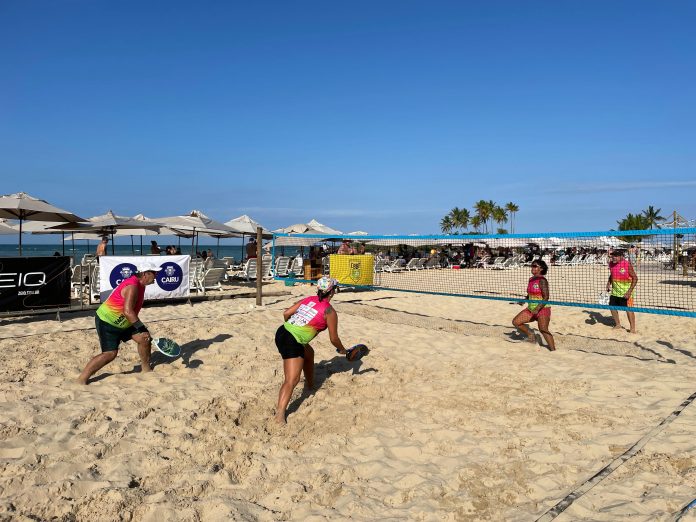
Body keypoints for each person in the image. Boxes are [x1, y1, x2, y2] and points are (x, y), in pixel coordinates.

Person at [274, 277, 348, 423]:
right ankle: (280, 414)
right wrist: (343, 350)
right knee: (292, 380)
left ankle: (310, 384)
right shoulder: (329, 311)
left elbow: (286, 313)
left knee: (309, 353)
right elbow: (334, 339)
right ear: (332, 291)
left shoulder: (309, 299)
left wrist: (294, 327)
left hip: (282, 331)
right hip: (292, 340)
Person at [77, 262, 162, 384]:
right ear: (145, 274)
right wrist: (142, 328)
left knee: (144, 339)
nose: (157, 275)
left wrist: (142, 331)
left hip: (125, 321)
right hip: (108, 321)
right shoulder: (133, 286)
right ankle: (81, 379)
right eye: (154, 272)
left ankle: (146, 370)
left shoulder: (140, 284)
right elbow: (128, 311)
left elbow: (129, 313)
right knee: (110, 354)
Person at [512, 260, 556, 351]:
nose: (532, 268)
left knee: (543, 329)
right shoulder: (531, 279)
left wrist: (537, 308)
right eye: (532, 266)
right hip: (531, 308)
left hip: (543, 308)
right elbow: (529, 294)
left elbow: (546, 297)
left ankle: (553, 350)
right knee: (516, 322)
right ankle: (531, 335)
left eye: (535, 266)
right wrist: (524, 300)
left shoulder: (542, 280)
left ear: (541, 269)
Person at [607, 249, 638, 333]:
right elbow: (612, 274)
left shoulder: (627, 264)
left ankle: (632, 329)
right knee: (612, 307)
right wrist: (608, 283)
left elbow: (635, 278)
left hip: (626, 292)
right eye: (613, 255)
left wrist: (629, 291)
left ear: (621, 256)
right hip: (615, 291)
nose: (613, 257)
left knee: (629, 309)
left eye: (616, 256)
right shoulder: (611, 264)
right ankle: (618, 324)